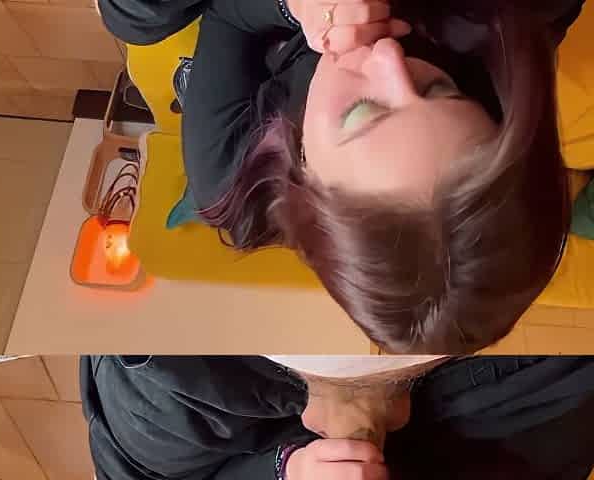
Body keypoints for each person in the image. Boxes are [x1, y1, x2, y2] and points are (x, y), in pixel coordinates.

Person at [96, 0, 584, 353]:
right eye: (440, 90)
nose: (389, 57)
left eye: (362, 111)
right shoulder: (506, 31)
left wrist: (294, 8)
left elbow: (225, 17)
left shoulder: (228, 171)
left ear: (306, 179)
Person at [81, 355, 594, 480]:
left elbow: (135, 465)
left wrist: (287, 469)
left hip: (226, 412)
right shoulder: (556, 397)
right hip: (484, 402)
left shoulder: (165, 399)